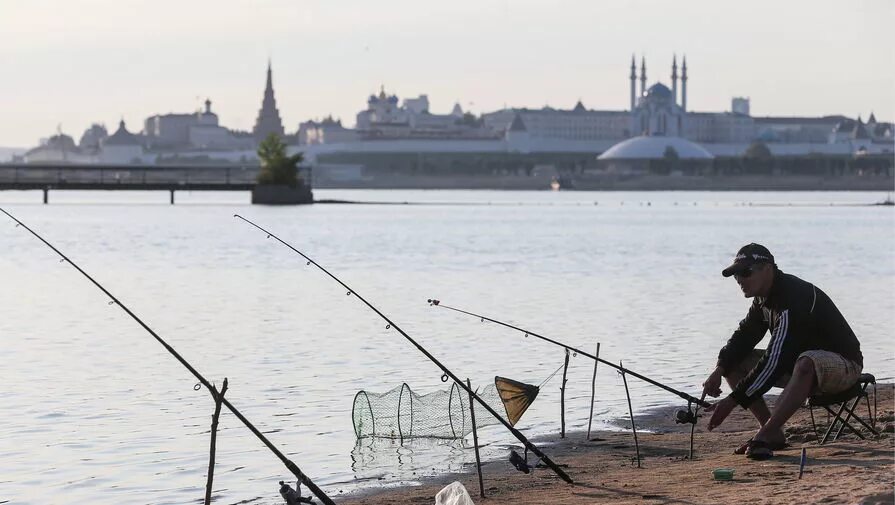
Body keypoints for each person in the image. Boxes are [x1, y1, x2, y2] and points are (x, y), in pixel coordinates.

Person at [702, 243, 863, 460]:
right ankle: (772, 433)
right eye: (736, 275)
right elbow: (743, 337)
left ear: (767, 269)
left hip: (844, 366)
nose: (740, 279)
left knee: (806, 362)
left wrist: (732, 400)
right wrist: (719, 370)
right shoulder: (762, 299)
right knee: (734, 361)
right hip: (799, 368)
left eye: (745, 272)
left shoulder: (792, 299)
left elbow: (774, 361)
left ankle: (764, 434)